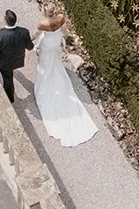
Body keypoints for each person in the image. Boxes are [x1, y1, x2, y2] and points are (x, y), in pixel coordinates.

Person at [33, 12, 96, 147]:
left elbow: (35, 35)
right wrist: (68, 39)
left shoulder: (43, 24)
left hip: (47, 45)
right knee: (54, 61)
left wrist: (28, 41)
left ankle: (44, 81)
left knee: (45, 63)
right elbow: (65, 32)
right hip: (55, 42)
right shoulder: (60, 18)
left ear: (45, 12)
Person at [0, 9, 33, 103]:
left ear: (5, 20)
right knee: (8, 76)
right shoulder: (24, 32)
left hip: (5, 63)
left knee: (7, 80)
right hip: (18, 59)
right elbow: (30, 47)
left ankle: (10, 99)